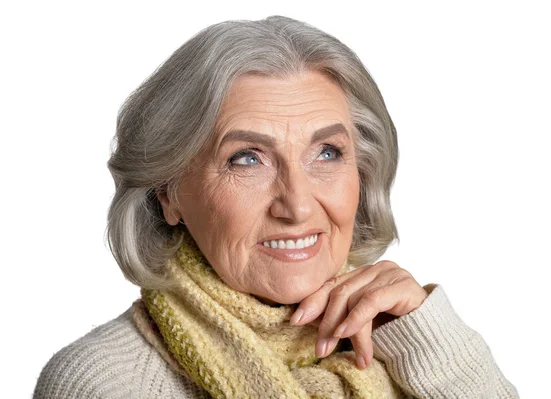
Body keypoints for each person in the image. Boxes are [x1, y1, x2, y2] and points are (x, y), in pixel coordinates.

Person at [33, 15, 519, 398]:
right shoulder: (105, 383)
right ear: (169, 192)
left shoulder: (411, 341)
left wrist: (431, 344)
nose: (298, 205)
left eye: (326, 153)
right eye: (247, 159)